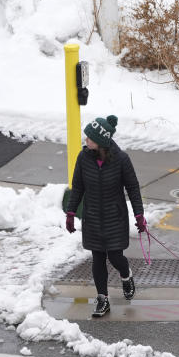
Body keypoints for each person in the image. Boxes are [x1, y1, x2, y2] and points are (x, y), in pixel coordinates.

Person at [64, 114, 146, 318]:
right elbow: (78, 188)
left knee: (115, 256)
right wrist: (71, 212)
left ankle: (126, 275)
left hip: (114, 217)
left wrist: (139, 215)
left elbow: (133, 188)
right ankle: (103, 299)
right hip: (92, 217)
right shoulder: (83, 158)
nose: (86, 140)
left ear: (100, 141)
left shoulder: (121, 159)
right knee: (98, 257)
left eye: (89, 138)